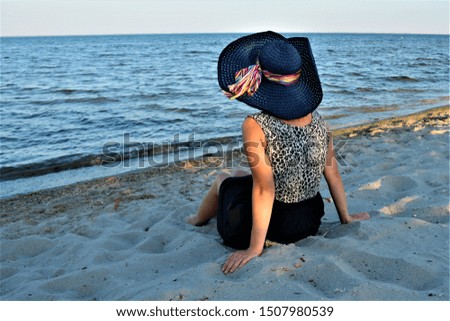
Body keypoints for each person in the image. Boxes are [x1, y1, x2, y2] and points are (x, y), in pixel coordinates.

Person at [187, 31, 370, 274]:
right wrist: (345, 217)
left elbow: (265, 188)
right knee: (241, 174)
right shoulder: (319, 120)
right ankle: (201, 217)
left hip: (278, 226)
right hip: (310, 219)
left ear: (258, 79)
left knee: (223, 179)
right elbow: (332, 172)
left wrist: (254, 249)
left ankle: (196, 220)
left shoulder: (255, 124)